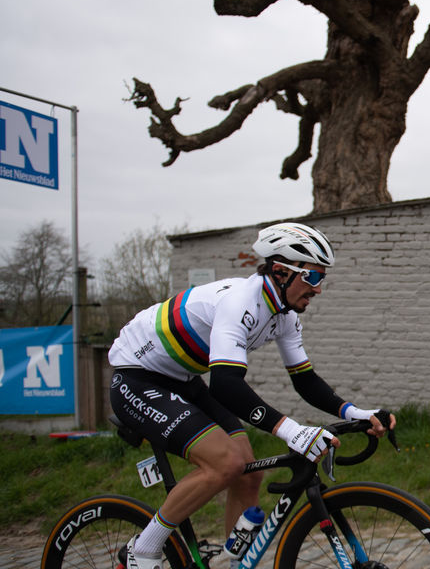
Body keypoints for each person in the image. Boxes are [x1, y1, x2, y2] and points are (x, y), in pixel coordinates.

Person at [108, 222, 395, 569]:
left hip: (181, 378)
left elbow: (305, 381)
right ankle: (144, 549)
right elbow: (226, 385)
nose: (318, 289)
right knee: (225, 463)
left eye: (322, 279)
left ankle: (235, 564)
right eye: (313, 278)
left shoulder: (285, 315)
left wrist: (357, 413)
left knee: (248, 469)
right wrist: (293, 431)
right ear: (280, 271)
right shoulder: (240, 301)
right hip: (137, 379)